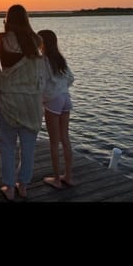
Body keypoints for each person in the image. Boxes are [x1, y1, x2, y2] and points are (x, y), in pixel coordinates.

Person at [0, 4, 45, 201]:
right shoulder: (36, 40)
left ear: (8, 19)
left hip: (8, 100)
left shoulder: (1, 40)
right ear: (26, 19)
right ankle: (23, 185)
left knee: (6, 145)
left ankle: (10, 187)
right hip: (31, 102)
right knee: (28, 146)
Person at [38, 29, 74, 189]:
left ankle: (57, 180)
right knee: (65, 138)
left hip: (54, 100)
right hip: (66, 97)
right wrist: (61, 88)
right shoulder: (60, 59)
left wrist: (42, 98)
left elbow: (42, 84)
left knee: (54, 142)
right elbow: (71, 78)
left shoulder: (42, 60)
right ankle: (68, 176)